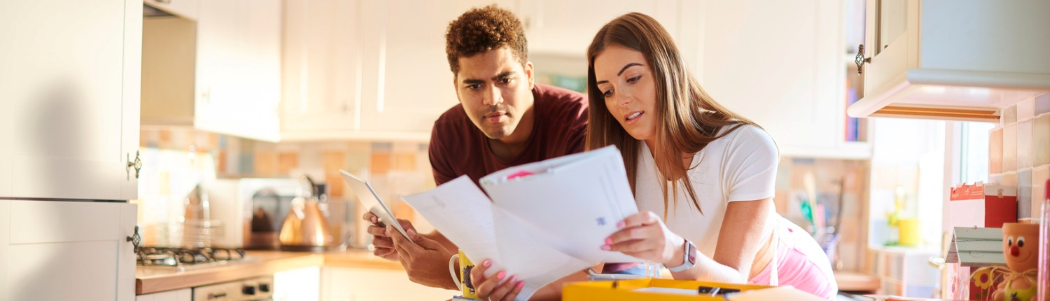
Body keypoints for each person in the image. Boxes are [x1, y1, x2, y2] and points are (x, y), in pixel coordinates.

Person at [587, 13, 838, 300]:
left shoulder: (746, 147)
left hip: (790, 281)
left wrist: (672, 249)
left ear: (666, 71)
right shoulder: (616, 161)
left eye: (633, 78)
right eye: (607, 91)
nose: (620, 100)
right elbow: (589, 270)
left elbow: (733, 280)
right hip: (704, 284)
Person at [362, 5, 595, 300]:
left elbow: (587, 262)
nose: (491, 99)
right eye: (474, 85)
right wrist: (412, 246)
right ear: (456, 88)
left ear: (529, 74)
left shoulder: (580, 125)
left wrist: (456, 276)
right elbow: (466, 238)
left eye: (504, 80)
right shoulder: (448, 135)